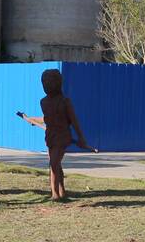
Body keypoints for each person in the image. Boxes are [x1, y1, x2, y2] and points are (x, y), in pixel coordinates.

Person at [34, 69, 88, 200]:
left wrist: (81, 138)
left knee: (53, 163)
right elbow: (47, 118)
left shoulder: (65, 101)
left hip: (62, 136)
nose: (47, 85)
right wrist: (32, 119)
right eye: (44, 82)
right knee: (56, 163)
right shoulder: (43, 102)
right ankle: (62, 190)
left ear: (58, 83)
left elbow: (74, 121)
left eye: (51, 82)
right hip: (50, 136)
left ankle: (55, 194)